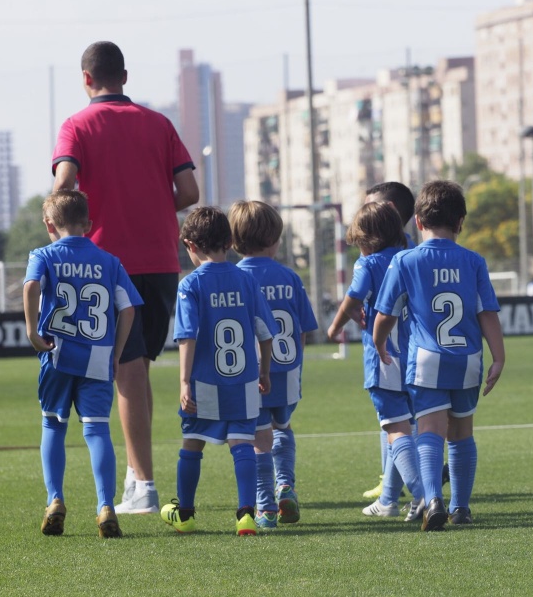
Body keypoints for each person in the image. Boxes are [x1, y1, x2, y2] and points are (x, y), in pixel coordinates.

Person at [52, 41, 200, 515]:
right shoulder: (159, 124)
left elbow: (65, 182)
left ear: (86, 79)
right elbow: (190, 191)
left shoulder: (76, 124)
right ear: (125, 76)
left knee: (127, 370)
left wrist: (55, 222)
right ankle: (140, 477)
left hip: (107, 261)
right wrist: (155, 210)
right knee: (136, 367)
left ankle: (145, 484)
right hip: (161, 258)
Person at [373, 180, 505, 531]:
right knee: (462, 431)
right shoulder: (474, 261)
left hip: (426, 359)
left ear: (417, 221)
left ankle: (433, 500)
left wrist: (379, 342)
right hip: (468, 359)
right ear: (461, 222)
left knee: (429, 430)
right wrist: (499, 357)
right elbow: (486, 313)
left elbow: (385, 314)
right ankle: (461, 507)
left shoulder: (405, 260)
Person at [23, 189, 143, 538]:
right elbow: (129, 308)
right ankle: (105, 505)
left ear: (50, 224)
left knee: (53, 426)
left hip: (56, 354)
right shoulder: (110, 261)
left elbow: (31, 286)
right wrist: (117, 351)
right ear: (88, 224)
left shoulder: (43, 254)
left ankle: (55, 500)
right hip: (97, 357)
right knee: (97, 430)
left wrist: (32, 332)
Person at [161, 207, 278, 536]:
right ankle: (245, 514)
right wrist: (264, 373)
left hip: (205, 382)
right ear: (228, 241)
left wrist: (184, 382)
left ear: (189, 245)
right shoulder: (245, 279)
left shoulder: (191, 285)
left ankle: (184, 513)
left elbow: (187, 336)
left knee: (192, 442)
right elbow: (266, 332)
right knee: (242, 443)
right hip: (243, 381)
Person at [327, 201, 425, 521]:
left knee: (395, 430)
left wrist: (336, 325)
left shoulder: (368, 264)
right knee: (405, 426)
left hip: (385, 357)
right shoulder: (411, 255)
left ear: (366, 241)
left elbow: (353, 298)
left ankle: (426, 497)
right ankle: (388, 500)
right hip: (417, 355)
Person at [228, 200, 318, 529]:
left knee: (257, 439)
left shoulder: (234, 277)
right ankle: (286, 487)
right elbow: (305, 328)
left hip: (249, 374)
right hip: (287, 371)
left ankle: (265, 507)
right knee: (284, 427)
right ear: (275, 240)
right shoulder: (290, 277)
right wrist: (296, 368)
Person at [359, 182, 417, 501]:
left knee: (396, 421)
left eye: (371, 207)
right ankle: (393, 483)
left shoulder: (394, 256)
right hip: (405, 352)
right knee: (397, 420)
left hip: (391, 352)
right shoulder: (407, 251)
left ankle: (416, 487)